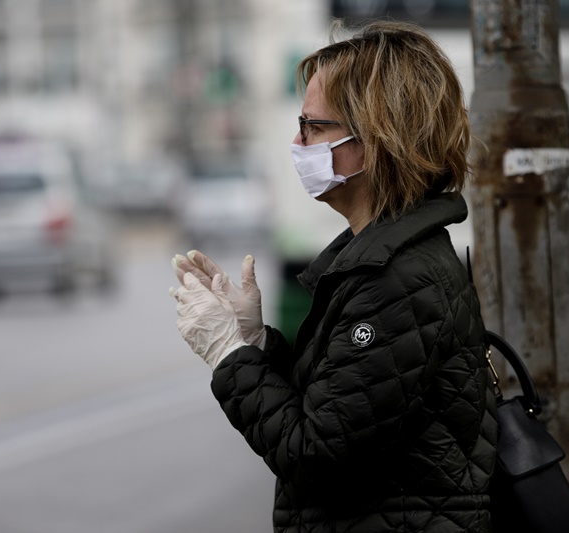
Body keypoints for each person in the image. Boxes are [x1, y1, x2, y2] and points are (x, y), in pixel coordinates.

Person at [170, 20, 497, 533]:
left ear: (376, 139)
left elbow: (315, 455)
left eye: (313, 126)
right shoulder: (382, 261)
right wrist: (256, 342)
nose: (297, 141)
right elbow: (342, 398)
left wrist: (229, 356)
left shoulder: (400, 282)